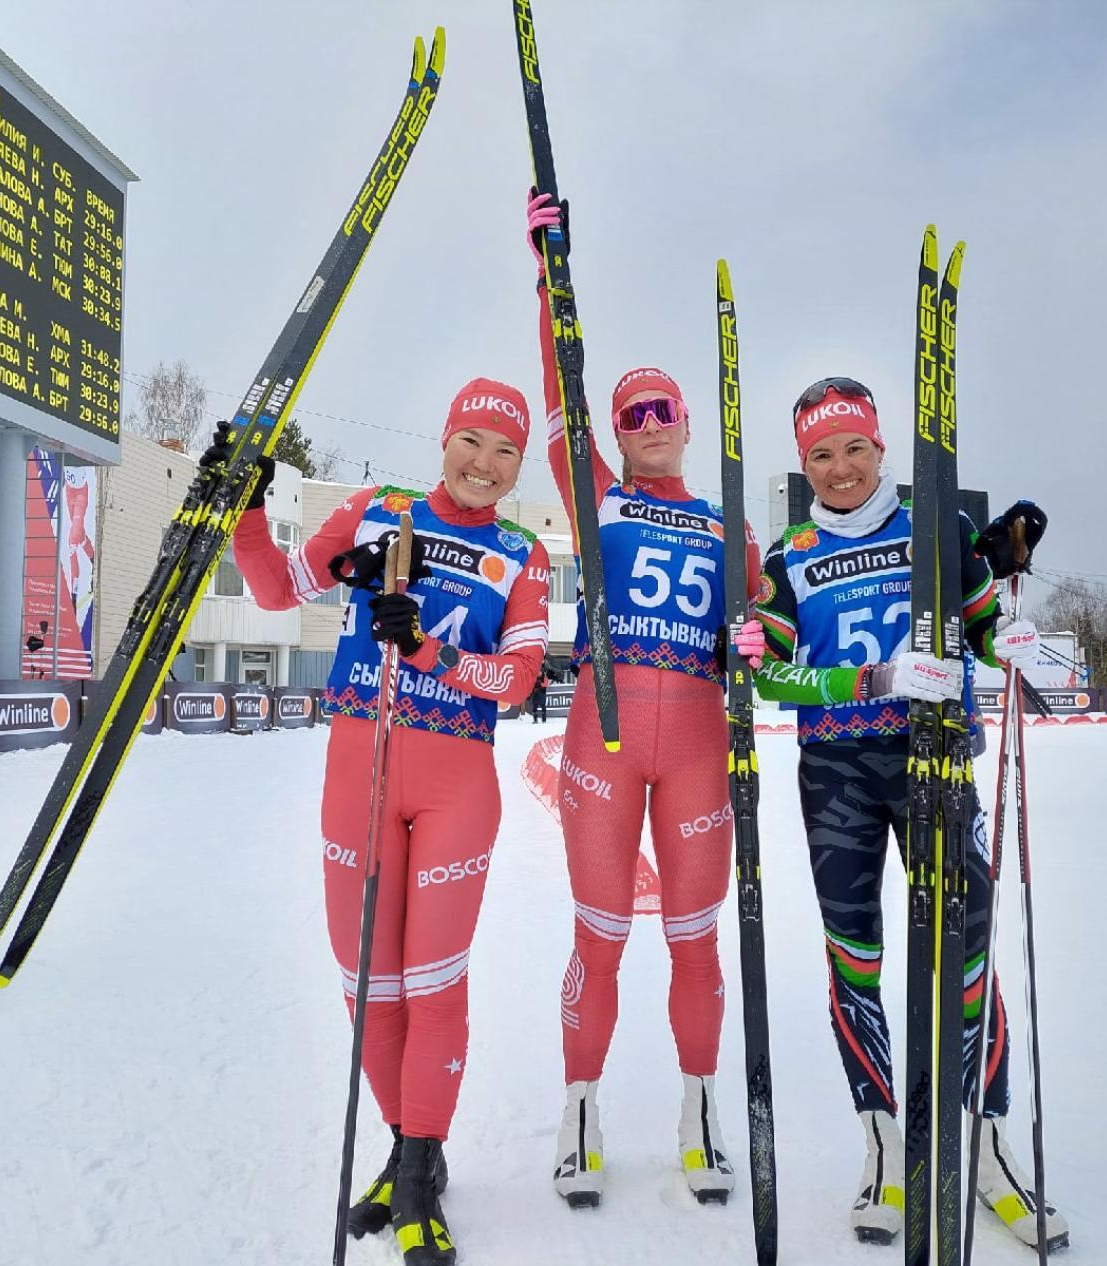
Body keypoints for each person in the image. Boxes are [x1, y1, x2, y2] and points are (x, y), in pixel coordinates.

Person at [215, 378, 550, 1266]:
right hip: (357, 768)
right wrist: (247, 508)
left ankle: (415, 1175)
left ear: (519, 465)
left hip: (455, 784)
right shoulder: (377, 511)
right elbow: (281, 590)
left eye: (505, 450)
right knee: (369, 987)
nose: (484, 463)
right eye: (471, 441)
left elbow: (516, 681)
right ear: (444, 439)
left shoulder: (521, 552)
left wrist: (429, 648)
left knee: (435, 985)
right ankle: (410, 1152)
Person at [745, 376, 1066, 1249]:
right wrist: (865, 678)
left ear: (882, 448)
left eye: (855, 448)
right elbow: (770, 672)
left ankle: (986, 1141)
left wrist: (1010, 634)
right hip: (838, 772)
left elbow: (979, 628)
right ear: (804, 463)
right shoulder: (790, 551)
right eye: (821, 454)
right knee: (856, 952)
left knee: (965, 947)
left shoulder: (938, 529)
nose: (841, 467)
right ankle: (883, 1141)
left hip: (932, 759)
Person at [525, 190, 762, 1209]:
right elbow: (556, 388)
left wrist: (757, 635)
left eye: (663, 410)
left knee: (695, 939)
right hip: (605, 738)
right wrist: (550, 270)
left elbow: (770, 624)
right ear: (616, 433)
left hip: (700, 743)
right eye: (633, 415)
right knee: (600, 934)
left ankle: (698, 1109)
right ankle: (579, 1111)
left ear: (687, 423)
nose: (649, 425)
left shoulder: (727, 522)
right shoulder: (596, 493)